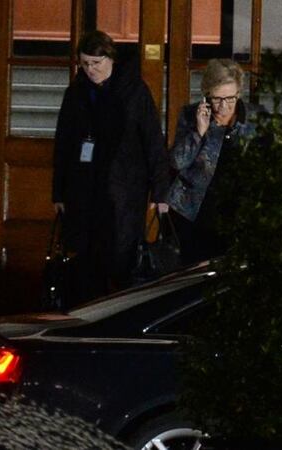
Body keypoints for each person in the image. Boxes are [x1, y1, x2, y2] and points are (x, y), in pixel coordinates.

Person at [52, 30, 169, 304]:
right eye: (85, 64)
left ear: (110, 60)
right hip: (84, 190)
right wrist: (58, 192)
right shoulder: (77, 93)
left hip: (124, 190)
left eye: (96, 63)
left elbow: (152, 139)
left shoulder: (133, 90)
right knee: (85, 258)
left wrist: (160, 191)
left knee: (122, 255)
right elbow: (64, 143)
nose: (91, 70)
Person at [166, 59, 262, 265]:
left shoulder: (254, 119)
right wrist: (199, 132)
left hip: (237, 208)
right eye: (217, 98)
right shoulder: (192, 114)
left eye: (230, 98)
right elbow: (176, 162)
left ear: (239, 94)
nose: (223, 106)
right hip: (196, 209)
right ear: (207, 94)